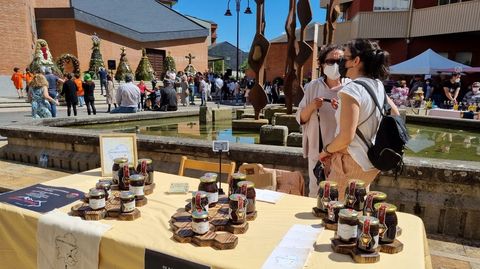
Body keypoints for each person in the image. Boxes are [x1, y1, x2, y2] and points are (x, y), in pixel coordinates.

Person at [319, 39, 400, 200]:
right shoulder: (377, 85)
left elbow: (346, 137)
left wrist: (326, 151)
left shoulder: (352, 89)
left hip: (349, 162)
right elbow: (396, 114)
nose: (342, 62)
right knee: (356, 209)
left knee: (334, 212)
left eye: (345, 57)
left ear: (356, 61)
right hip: (368, 160)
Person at [296, 44, 344, 198]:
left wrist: (341, 110)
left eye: (340, 61)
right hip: (317, 150)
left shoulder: (350, 87)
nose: (336, 65)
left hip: (341, 152)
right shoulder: (312, 86)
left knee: (339, 193)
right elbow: (301, 118)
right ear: (323, 64)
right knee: (315, 190)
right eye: (331, 61)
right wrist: (312, 106)